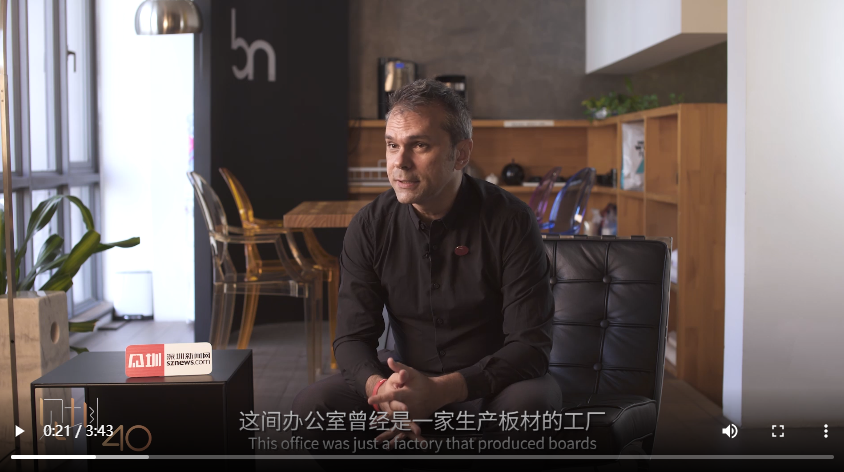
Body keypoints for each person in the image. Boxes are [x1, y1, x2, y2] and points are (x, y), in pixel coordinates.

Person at [291, 78, 561, 456]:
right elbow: (351, 339)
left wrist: (440, 391)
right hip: (405, 380)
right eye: (392, 145)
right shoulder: (370, 225)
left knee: (532, 409)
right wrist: (381, 391)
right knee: (313, 409)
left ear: (461, 154)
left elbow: (530, 346)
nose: (399, 162)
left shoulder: (511, 220)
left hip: (492, 386)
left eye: (419, 145)